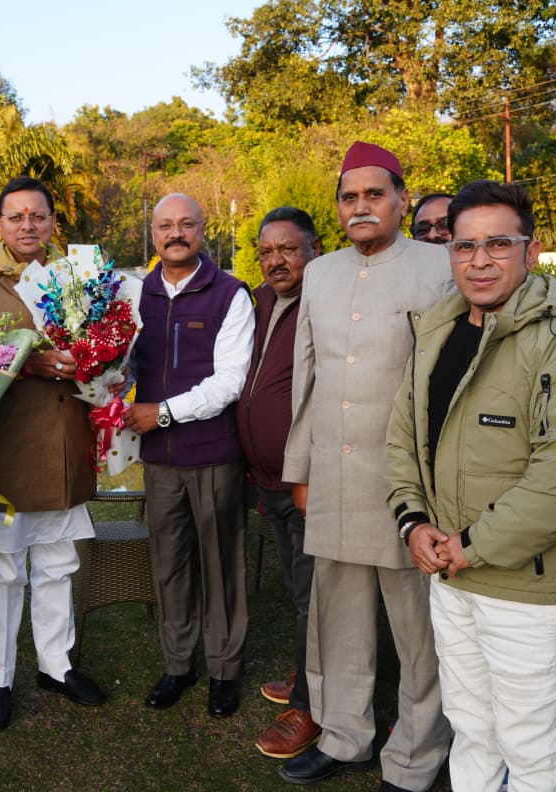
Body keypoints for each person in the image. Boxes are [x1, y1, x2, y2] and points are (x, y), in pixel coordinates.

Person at [385, 179, 556, 792]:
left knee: (528, 743)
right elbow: (403, 439)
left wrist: (471, 545)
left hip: (526, 588)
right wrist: (413, 523)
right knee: (471, 728)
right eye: (465, 246)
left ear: (531, 251)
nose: (480, 260)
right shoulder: (437, 331)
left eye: (498, 244)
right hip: (449, 573)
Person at [279, 141, 453, 789]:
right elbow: (306, 377)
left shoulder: (439, 266)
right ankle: (344, 736)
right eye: (349, 197)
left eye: (374, 194)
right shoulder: (321, 273)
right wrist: (301, 469)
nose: (361, 206)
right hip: (333, 475)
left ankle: (415, 756)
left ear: (402, 200)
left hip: (410, 484)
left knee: (419, 631)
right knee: (338, 619)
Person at [0, 175, 106, 732]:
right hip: (6, 441)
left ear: (53, 221)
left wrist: (98, 359)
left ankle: (56, 666)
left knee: (58, 564)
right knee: (5, 569)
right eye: (16, 216)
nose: (28, 225)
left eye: (38, 216)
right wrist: (26, 361)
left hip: (65, 435)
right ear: (0, 223)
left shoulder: (77, 273)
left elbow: (106, 338)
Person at [125, 192, 254, 718]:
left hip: (213, 454)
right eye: (164, 226)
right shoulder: (135, 295)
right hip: (159, 460)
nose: (175, 234)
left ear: (202, 229)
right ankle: (178, 664)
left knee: (220, 564)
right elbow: (124, 366)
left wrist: (162, 413)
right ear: (152, 233)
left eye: (185, 224)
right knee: (170, 564)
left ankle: (224, 669)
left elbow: (230, 381)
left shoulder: (229, 294)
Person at [234, 206, 323, 758]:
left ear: (315, 248)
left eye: (288, 249)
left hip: (308, 480)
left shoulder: (327, 299)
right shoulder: (260, 301)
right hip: (268, 477)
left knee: (316, 597)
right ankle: (308, 675)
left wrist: (308, 469)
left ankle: (312, 707)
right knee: (298, 588)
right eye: (267, 251)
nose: (276, 260)